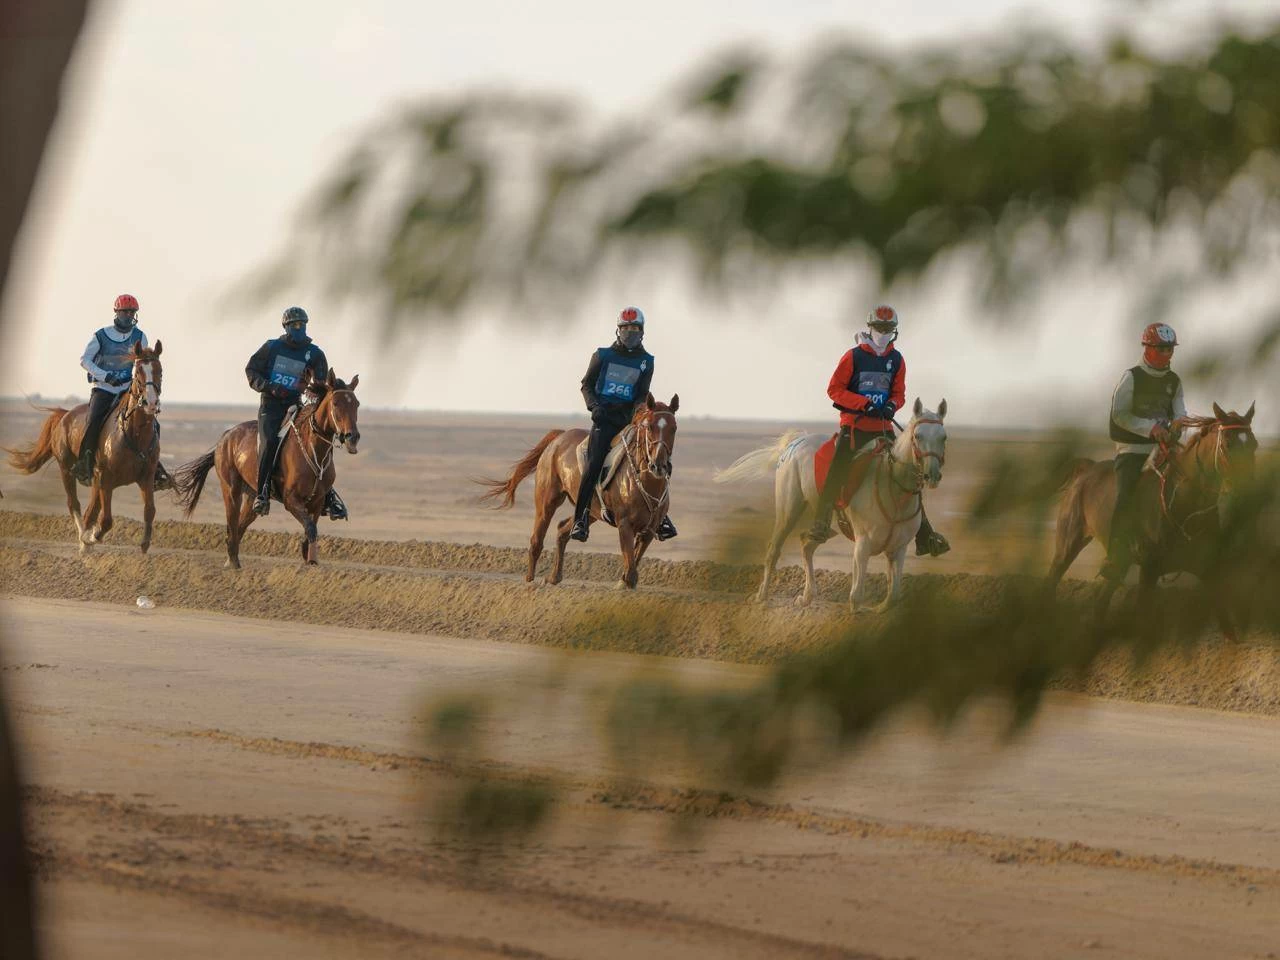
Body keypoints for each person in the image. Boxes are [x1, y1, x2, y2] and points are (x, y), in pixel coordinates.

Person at [804, 304, 949, 555]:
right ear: (870, 328)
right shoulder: (853, 356)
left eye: (888, 328)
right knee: (838, 466)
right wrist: (863, 404)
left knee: (911, 473)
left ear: (894, 331)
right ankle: (820, 521)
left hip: (882, 426)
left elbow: (899, 392)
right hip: (855, 426)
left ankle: (925, 535)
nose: (883, 332)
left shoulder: (897, 359)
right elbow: (835, 390)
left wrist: (893, 404)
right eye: (879, 327)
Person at [569, 306, 677, 543]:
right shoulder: (602, 356)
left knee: (658, 458)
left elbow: (641, 393)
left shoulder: (646, 361)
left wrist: (639, 411)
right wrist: (594, 406)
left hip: (629, 420)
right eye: (626, 328)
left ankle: (662, 516)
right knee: (594, 462)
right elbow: (586, 385)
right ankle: (581, 518)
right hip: (604, 420)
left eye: (635, 328)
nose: (631, 332)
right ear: (618, 330)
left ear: (642, 331)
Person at [1098, 321, 1186, 581]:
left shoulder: (1174, 380)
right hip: (1133, 449)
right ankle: (1114, 556)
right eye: (1162, 348)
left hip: (1164, 448)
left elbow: (1180, 409)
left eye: (1170, 349)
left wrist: (1180, 421)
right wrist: (1151, 429)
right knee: (1126, 495)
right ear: (1147, 348)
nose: (1167, 354)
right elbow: (1119, 415)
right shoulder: (1131, 377)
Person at [244, 306, 347, 520]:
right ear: (286, 327)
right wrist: (269, 386)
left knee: (319, 440)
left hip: (295, 404)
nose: (299, 328)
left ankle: (328, 495)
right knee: (269, 440)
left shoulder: (315, 353)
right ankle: (262, 492)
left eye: (302, 324)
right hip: (271, 406)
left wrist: (313, 386)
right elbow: (251, 370)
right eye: (294, 325)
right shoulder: (272, 347)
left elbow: (322, 387)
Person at [76, 293, 172, 489]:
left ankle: (156, 469)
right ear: (116, 312)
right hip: (103, 389)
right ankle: (84, 464)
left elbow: (144, 362)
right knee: (93, 420)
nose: (129, 315)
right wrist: (105, 375)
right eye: (125, 311)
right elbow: (84, 360)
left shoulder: (140, 336)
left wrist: (134, 379)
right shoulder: (101, 335)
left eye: (132, 312)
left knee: (152, 423)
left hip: (128, 390)